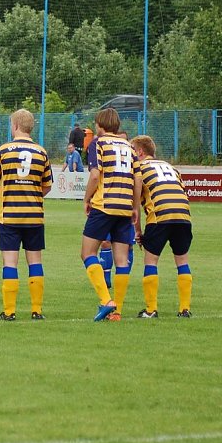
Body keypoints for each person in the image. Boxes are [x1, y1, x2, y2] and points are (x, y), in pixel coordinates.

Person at [0, 109, 54, 321]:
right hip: (34, 215)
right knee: (35, 261)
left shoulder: (3, 151)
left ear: (15, 126)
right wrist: (32, 196)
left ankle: (9, 312)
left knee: (10, 262)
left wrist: (4, 199)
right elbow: (47, 186)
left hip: (9, 216)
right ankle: (37, 310)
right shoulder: (41, 152)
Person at [80, 108, 141, 322]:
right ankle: (117, 312)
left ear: (101, 124)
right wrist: (135, 206)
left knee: (87, 253)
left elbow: (95, 175)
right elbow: (137, 179)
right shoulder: (129, 146)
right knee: (122, 260)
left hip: (104, 205)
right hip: (125, 206)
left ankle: (107, 300)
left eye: (97, 124)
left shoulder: (98, 143)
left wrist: (87, 199)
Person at [130, 135, 194, 318]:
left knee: (151, 261)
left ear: (140, 152)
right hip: (183, 215)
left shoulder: (139, 168)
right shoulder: (171, 167)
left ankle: (151, 310)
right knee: (182, 262)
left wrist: (138, 231)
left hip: (160, 215)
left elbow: (135, 202)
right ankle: (185, 309)